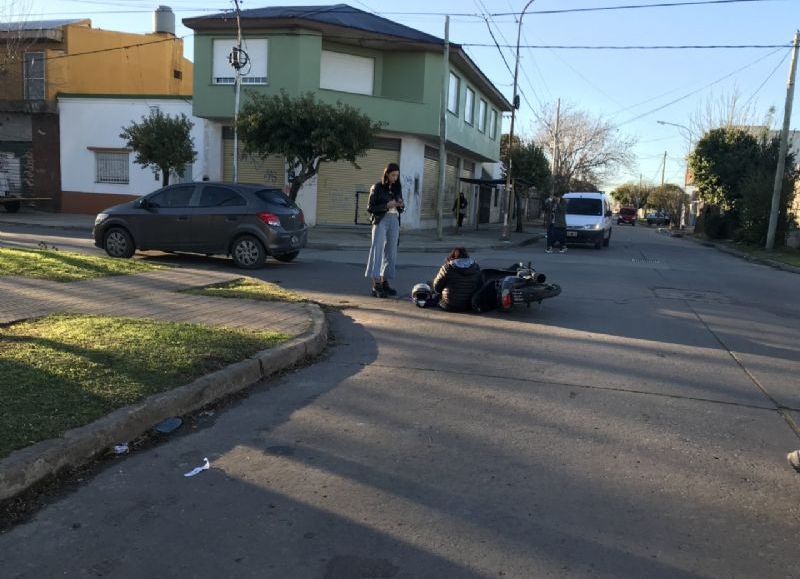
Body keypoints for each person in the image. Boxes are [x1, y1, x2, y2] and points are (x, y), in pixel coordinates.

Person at [365, 162, 404, 298]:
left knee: (391, 252)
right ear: (387, 174)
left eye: (397, 175)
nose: (395, 178)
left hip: (394, 220)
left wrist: (400, 205)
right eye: (393, 175)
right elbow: (370, 207)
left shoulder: (397, 187)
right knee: (378, 250)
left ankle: (384, 281)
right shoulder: (377, 187)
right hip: (381, 220)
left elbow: (400, 207)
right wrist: (386, 205)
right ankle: (376, 284)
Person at [432, 247, 481, 312]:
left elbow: (437, 288)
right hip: (470, 304)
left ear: (452, 255)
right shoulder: (476, 267)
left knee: (434, 292)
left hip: (450, 305)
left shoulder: (447, 268)